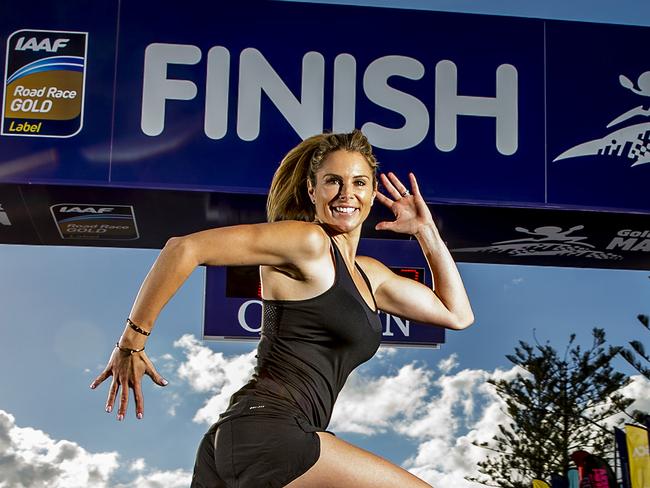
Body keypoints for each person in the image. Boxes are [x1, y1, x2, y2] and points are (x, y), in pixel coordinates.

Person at [90, 129, 474, 487]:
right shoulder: (306, 241)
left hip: (244, 437)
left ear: (373, 194)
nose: (346, 194)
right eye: (332, 181)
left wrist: (426, 231)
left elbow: (456, 314)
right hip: (271, 433)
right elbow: (183, 248)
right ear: (311, 189)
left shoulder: (370, 275)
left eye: (359, 183)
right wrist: (131, 343)